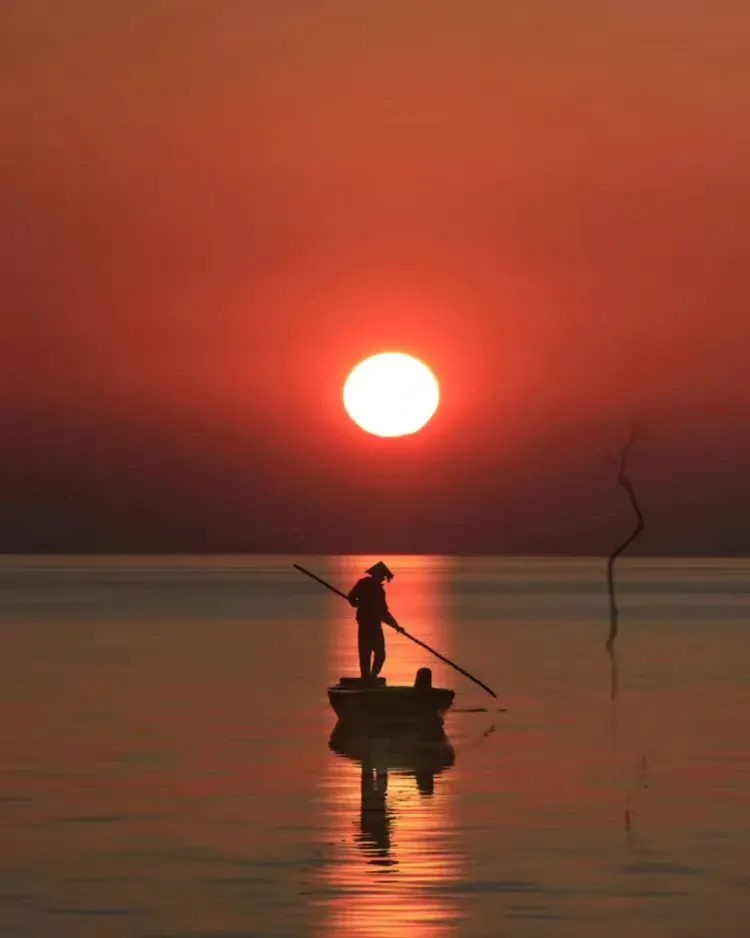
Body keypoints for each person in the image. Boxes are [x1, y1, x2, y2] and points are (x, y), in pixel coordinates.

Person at [347, 561, 404, 681]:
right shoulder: (363, 584)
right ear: (376, 574)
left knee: (380, 654)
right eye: (382, 576)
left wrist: (396, 626)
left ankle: (372, 676)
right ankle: (367, 678)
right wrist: (357, 603)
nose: (383, 579)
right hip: (365, 625)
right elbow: (351, 597)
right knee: (365, 655)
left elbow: (384, 613)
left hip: (375, 626)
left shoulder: (379, 591)